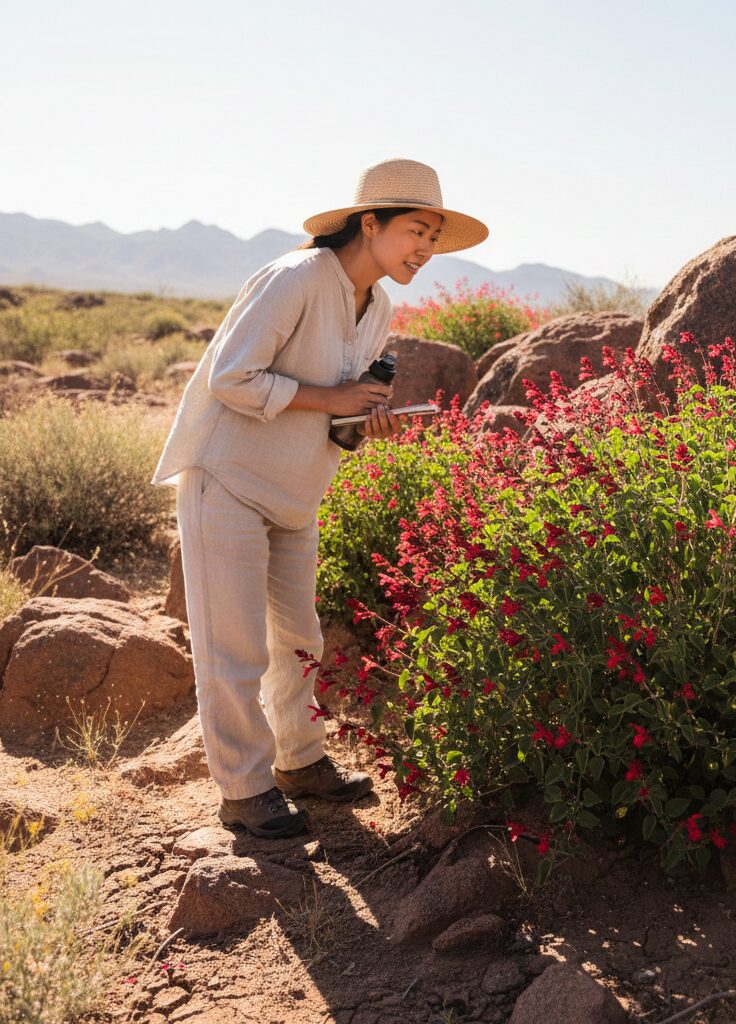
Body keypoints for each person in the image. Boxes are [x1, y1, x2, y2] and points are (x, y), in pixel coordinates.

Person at [152, 158, 489, 838]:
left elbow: (329, 414)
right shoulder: (296, 278)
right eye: (416, 231)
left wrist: (361, 420)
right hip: (230, 480)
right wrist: (334, 398)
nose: (424, 249)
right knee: (234, 645)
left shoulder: (380, 307)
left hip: (296, 490)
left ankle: (299, 763)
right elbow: (231, 377)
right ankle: (244, 792)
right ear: (370, 223)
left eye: (433, 237)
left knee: (300, 638)